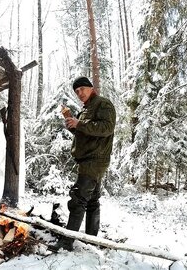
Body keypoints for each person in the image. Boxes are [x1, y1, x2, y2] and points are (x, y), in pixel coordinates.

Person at [55, 76, 116, 251]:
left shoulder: (103, 104)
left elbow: (106, 128)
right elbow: (87, 132)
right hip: (89, 158)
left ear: (90, 88)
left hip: (95, 159)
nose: (79, 93)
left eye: (82, 89)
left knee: (78, 199)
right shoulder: (86, 109)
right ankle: (91, 239)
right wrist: (74, 126)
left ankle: (66, 243)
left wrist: (80, 123)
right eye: (76, 91)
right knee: (92, 200)